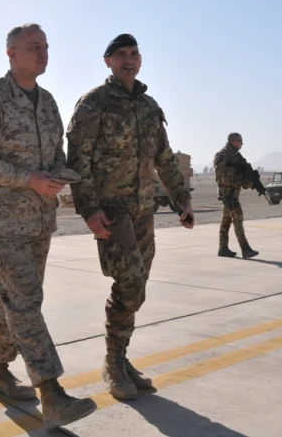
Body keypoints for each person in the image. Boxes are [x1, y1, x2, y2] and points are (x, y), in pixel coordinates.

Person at [0, 23, 96, 430]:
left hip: (38, 219)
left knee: (13, 300)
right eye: (34, 47)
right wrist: (27, 179)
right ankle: (51, 392)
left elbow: (55, 154)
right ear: (11, 53)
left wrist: (57, 178)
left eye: (47, 47)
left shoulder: (48, 103)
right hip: (0, 220)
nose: (43, 52)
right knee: (26, 298)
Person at [66, 33, 194, 401]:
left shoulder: (149, 107)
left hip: (142, 210)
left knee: (136, 290)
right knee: (129, 282)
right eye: (121, 54)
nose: (129, 60)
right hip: (112, 212)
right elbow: (79, 163)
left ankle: (119, 358)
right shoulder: (94, 104)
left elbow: (164, 159)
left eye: (135, 54)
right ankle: (114, 361)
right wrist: (89, 211)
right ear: (107, 61)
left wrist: (182, 199)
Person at [213, 133, 260, 259]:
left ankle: (223, 248)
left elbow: (242, 175)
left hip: (234, 193)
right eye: (240, 141)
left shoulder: (237, 156)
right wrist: (236, 171)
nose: (241, 143)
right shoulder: (222, 154)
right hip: (227, 194)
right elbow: (219, 172)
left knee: (226, 221)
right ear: (233, 141)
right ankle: (245, 249)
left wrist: (252, 182)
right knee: (238, 217)